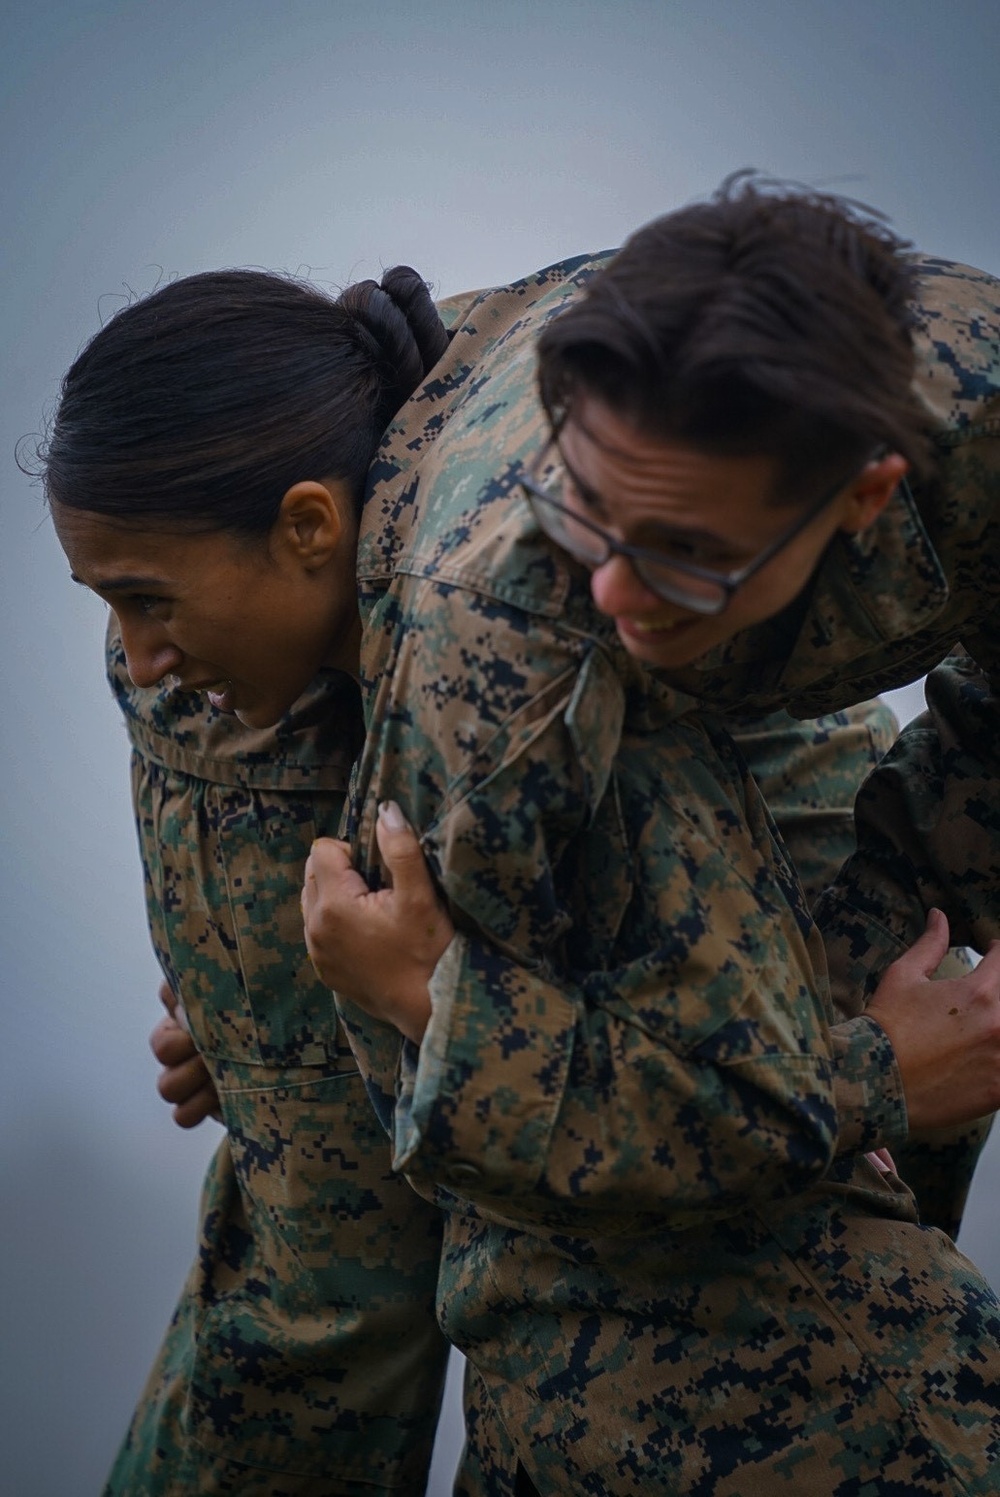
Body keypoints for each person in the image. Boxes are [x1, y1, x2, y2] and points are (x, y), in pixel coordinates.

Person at [42, 179, 1000, 1493]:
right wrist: (363, 1006)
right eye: (595, 525)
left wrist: (883, 971)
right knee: (346, 1300)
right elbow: (485, 1125)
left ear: (865, 497)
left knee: (790, 1204)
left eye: (683, 551)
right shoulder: (498, 661)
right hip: (378, 704)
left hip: (578, 673)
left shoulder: (922, 426)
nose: (620, 585)